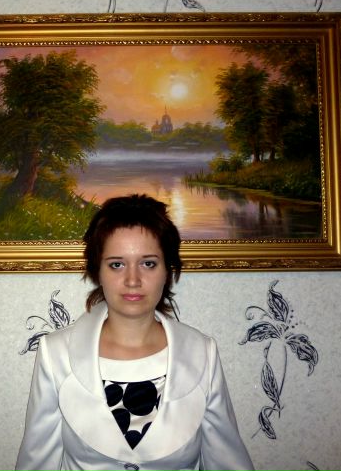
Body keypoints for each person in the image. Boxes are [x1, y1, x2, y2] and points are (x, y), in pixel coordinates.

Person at [15, 194, 254, 471]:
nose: (132, 280)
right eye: (116, 264)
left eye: (148, 263)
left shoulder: (202, 353)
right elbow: (37, 463)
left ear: (167, 269)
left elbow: (226, 462)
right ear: (98, 270)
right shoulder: (56, 353)